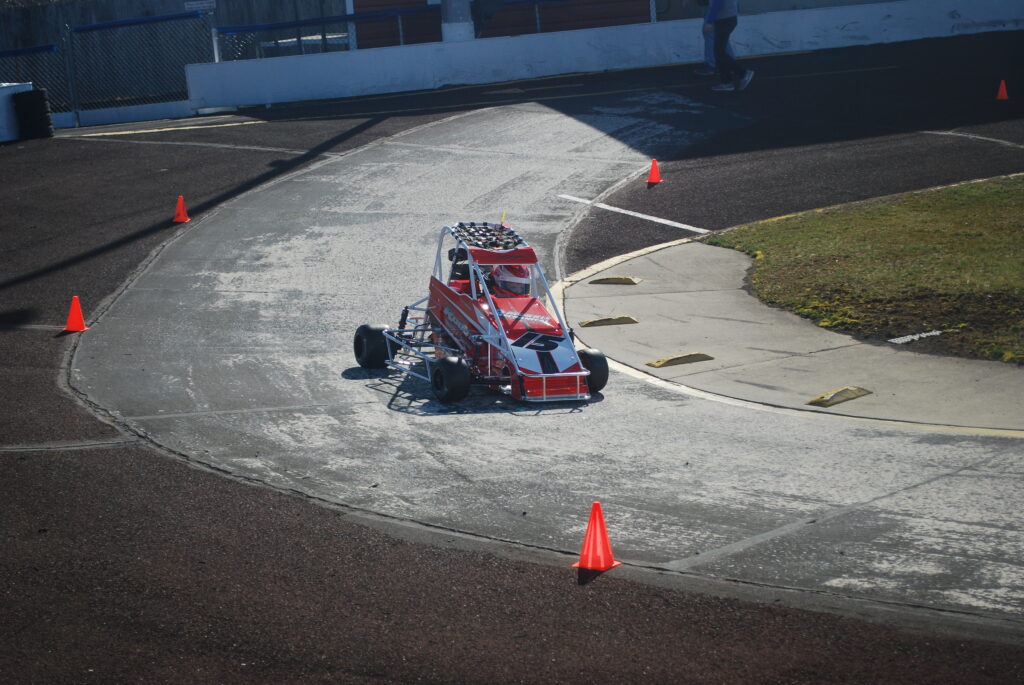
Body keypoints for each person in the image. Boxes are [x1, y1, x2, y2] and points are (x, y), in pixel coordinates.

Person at [704, 0, 754, 92]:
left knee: (719, 53)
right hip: (726, 19)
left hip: (725, 20)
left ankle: (743, 73)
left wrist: (709, 21)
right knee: (719, 53)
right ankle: (726, 82)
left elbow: (717, 3)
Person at [685, 0, 733, 77]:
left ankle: (713, 66)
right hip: (709, 6)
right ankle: (729, 65)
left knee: (710, 33)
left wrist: (710, 21)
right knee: (720, 36)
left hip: (712, 6)